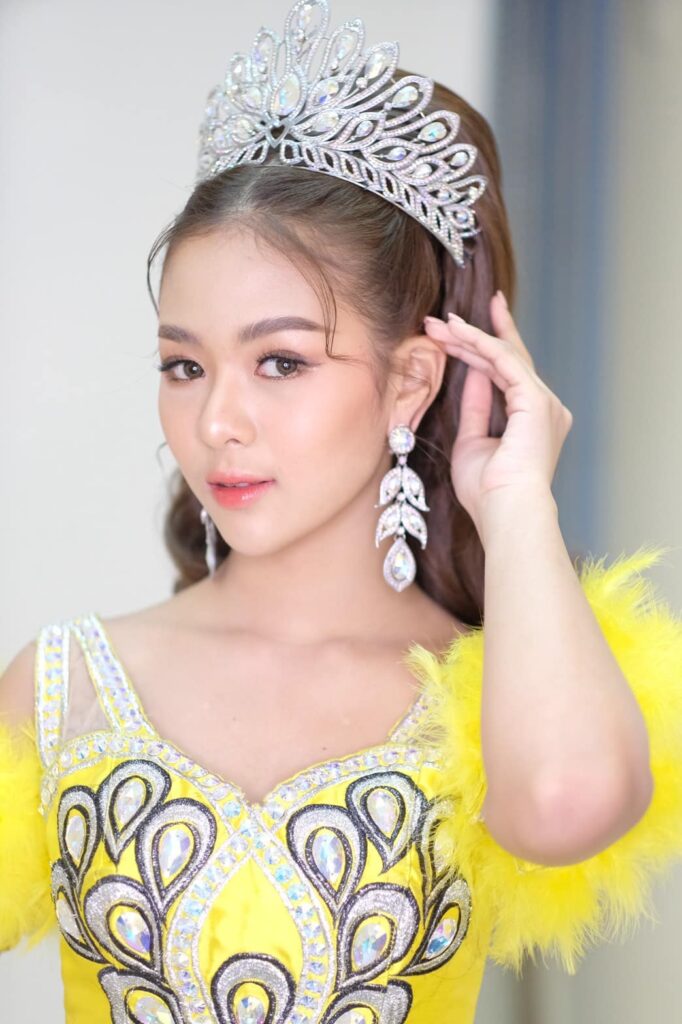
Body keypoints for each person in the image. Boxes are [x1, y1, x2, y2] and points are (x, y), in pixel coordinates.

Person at [2, 1, 682, 1021]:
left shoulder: (489, 695)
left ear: (410, 381)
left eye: (280, 362)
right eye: (184, 365)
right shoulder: (67, 687)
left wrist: (514, 506)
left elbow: (564, 806)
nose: (216, 421)